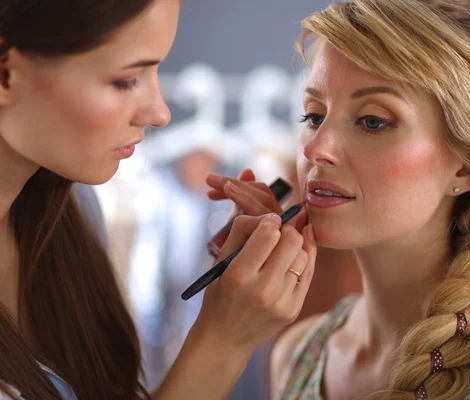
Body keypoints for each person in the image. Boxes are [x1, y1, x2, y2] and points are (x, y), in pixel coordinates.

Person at [204, 0, 470, 399]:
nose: (318, 149)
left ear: (468, 168)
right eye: (314, 116)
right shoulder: (299, 353)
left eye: (373, 121)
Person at [0, 1, 316, 399]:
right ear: (6, 74)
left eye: (156, 70)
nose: (160, 114)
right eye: (126, 80)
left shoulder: (73, 209)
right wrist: (224, 339)